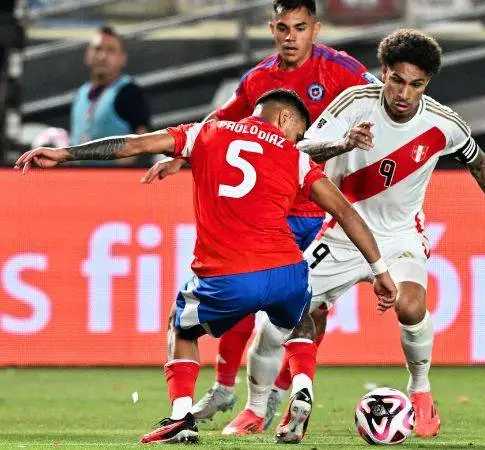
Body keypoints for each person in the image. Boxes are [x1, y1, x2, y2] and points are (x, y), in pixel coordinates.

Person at [15, 89, 398, 445]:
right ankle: (301, 382)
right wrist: (380, 272)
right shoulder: (295, 156)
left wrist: (66, 154)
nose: (296, 140)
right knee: (299, 315)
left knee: (181, 326)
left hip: (228, 273)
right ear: (283, 120)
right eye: (297, 132)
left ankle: (181, 417)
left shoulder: (205, 133)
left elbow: (133, 145)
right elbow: (345, 212)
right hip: (287, 270)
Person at [234, 29, 485, 443]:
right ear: (384, 74)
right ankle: (256, 406)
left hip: (400, 235)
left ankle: (421, 391)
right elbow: (299, 150)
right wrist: (342, 143)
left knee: (411, 307)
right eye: (396, 80)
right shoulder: (354, 104)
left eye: (416, 84)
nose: (404, 93)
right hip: (340, 232)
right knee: (277, 318)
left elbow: (480, 164)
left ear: (428, 84)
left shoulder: (443, 124)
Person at [141, 0, 379, 426]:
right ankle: (227, 389)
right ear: (272, 29)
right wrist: (183, 155)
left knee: (308, 306)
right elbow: (221, 120)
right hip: (270, 207)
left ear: (316, 29)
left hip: (313, 208)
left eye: (300, 28)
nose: (291, 37)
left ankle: (277, 395)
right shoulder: (259, 79)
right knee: (248, 300)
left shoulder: (341, 69)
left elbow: (382, 99)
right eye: (283, 28)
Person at [70, 26, 150, 164]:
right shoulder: (80, 94)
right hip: (79, 179)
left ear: (122, 58)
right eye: (98, 49)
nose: (102, 56)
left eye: (110, 50)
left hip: (114, 181)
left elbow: (142, 143)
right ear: (87, 55)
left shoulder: (130, 92)